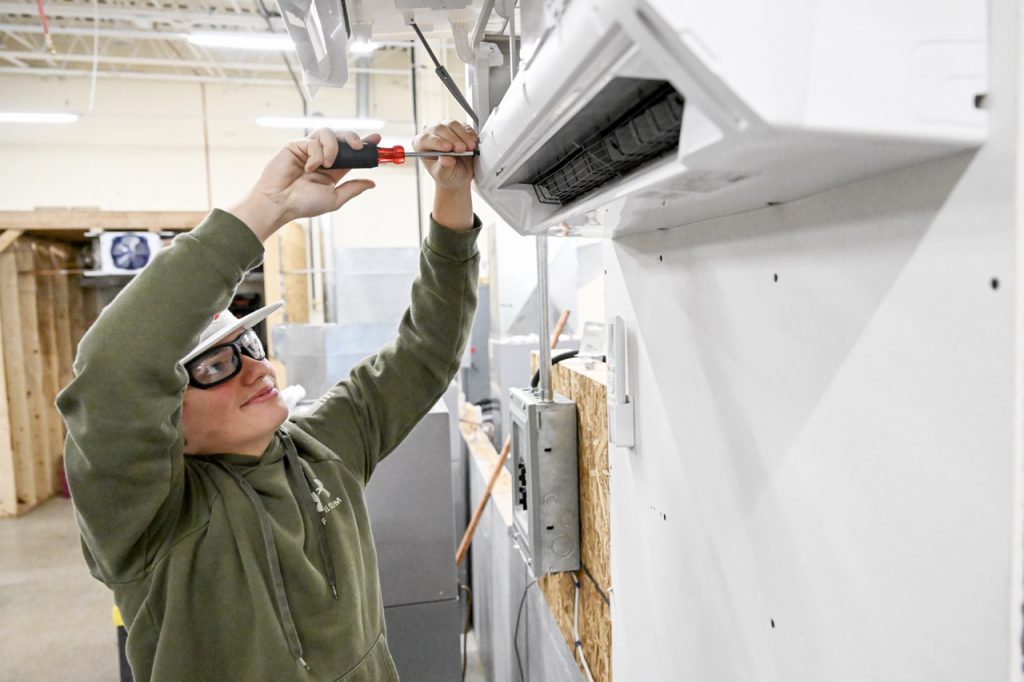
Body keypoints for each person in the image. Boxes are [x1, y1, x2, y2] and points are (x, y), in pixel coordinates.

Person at [56, 121, 481, 681]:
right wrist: (268, 208)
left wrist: (452, 191)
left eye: (249, 346)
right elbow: (113, 366)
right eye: (213, 366)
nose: (256, 368)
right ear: (164, 416)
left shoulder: (323, 448)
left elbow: (427, 351)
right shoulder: (144, 517)